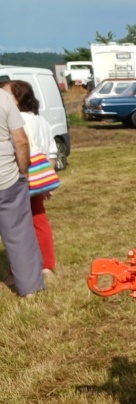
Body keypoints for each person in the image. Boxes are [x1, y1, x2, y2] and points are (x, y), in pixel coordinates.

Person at [5, 80, 56, 280]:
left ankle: (19, 269)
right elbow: (51, 152)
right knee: (39, 221)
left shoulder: (15, 120)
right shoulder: (41, 120)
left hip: (18, 177)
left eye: (6, 95)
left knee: (16, 226)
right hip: (39, 177)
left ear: (18, 99)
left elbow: (18, 147)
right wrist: (46, 181)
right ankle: (47, 265)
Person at [0, 78, 44, 296]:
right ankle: (31, 289)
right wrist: (23, 172)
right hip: (6, 176)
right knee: (19, 234)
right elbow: (21, 140)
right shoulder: (4, 99)